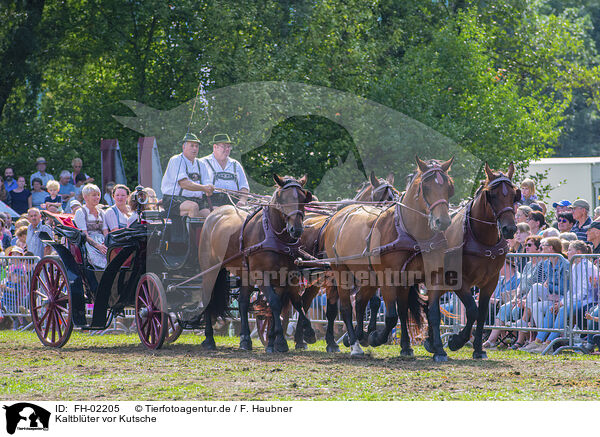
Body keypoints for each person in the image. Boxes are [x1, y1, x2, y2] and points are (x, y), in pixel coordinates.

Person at [527, 240, 597, 353]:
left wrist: (563, 303)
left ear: (578, 252)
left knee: (563, 309)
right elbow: (570, 290)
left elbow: (583, 293)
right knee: (552, 309)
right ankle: (538, 341)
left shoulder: (586, 267)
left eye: (569, 250)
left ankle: (549, 343)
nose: (567, 252)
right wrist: (561, 302)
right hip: (575, 300)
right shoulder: (574, 265)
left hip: (587, 301)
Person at [521, 237, 569, 351]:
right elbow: (548, 283)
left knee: (538, 302)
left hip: (563, 296)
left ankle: (540, 337)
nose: (541, 249)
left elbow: (564, 287)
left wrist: (550, 287)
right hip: (553, 295)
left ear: (551, 248)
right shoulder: (547, 263)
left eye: (543, 247)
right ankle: (539, 338)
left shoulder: (564, 263)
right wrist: (548, 287)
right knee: (536, 294)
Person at [160, 133, 215, 218]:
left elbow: (207, 185)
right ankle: (189, 231)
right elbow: (184, 184)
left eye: (197, 146)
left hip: (196, 201)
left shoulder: (201, 164)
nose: (194, 149)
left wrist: (210, 188)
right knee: (193, 207)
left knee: (209, 215)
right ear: (183, 147)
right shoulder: (176, 160)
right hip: (173, 200)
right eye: (192, 146)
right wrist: (204, 188)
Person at [199, 133, 250, 213]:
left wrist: (242, 201)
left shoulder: (236, 164)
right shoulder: (203, 163)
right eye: (224, 146)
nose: (227, 149)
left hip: (233, 203)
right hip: (211, 203)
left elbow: (244, 187)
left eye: (229, 147)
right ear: (215, 147)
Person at [73, 184, 107, 269]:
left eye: (98, 195)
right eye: (94, 195)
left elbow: (105, 231)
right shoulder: (80, 212)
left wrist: (107, 242)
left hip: (102, 240)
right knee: (98, 259)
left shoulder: (102, 212)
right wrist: (97, 246)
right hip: (88, 242)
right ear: (86, 197)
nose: (97, 197)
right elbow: (85, 234)